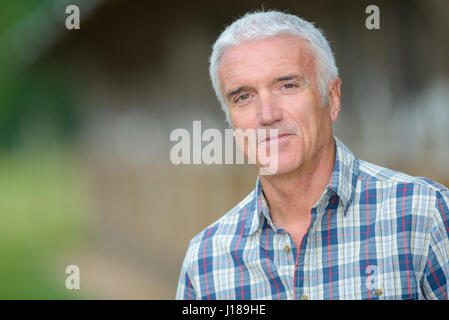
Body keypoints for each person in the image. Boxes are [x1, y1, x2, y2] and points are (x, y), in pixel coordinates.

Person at [175, 10, 449, 300]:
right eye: (244, 96)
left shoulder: (424, 216)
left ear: (332, 98)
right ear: (230, 121)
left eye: (288, 85)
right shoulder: (205, 262)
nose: (267, 115)